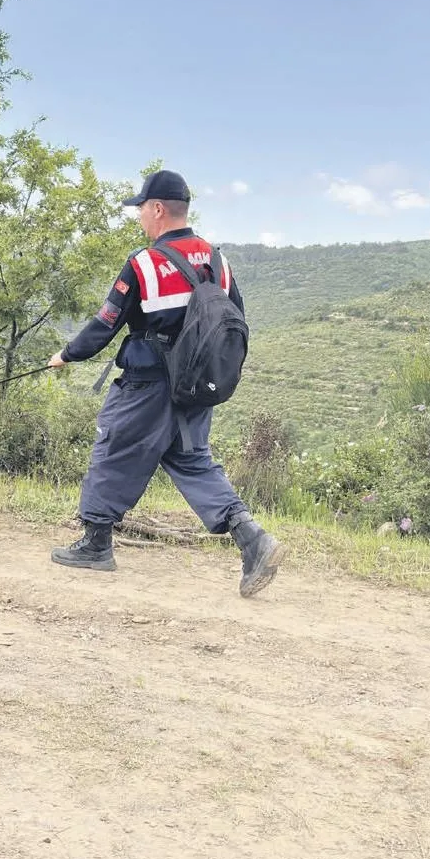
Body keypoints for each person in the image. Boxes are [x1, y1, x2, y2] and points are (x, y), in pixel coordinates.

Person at [47, 168, 283, 597]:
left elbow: (106, 323)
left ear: (157, 209)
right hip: (196, 385)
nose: (139, 216)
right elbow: (237, 319)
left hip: (147, 385)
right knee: (191, 459)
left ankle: (96, 544)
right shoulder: (217, 260)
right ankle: (252, 538)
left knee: (112, 446)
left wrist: (66, 354)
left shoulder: (144, 263)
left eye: (141, 208)